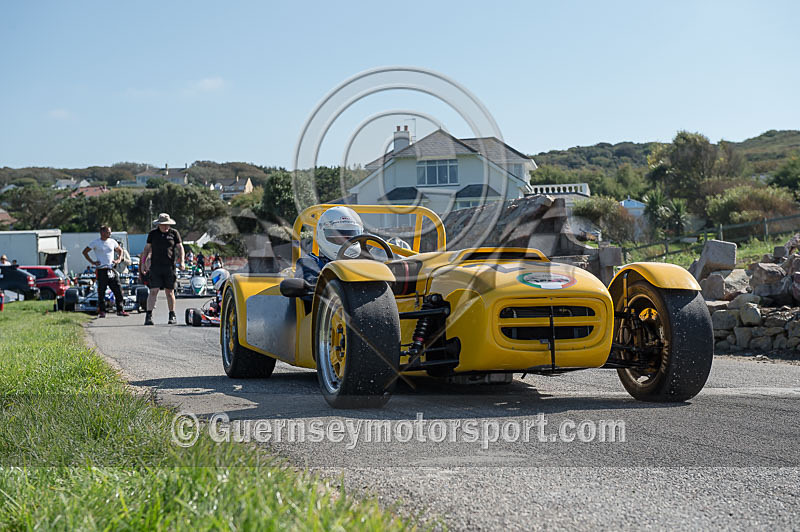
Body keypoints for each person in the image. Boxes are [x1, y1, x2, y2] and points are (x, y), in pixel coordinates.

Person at [295, 206, 364, 287]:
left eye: (351, 236)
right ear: (322, 234)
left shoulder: (366, 263)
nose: (346, 241)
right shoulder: (310, 263)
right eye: (339, 236)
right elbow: (309, 288)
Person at [140, 213, 185, 325]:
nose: (166, 227)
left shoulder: (174, 233)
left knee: (170, 292)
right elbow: (146, 249)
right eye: (164, 225)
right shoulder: (153, 234)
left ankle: (172, 315)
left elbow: (180, 247)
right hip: (155, 267)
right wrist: (143, 262)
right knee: (153, 291)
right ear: (159, 225)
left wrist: (182, 260)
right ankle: (149, 315)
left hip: (169, 267)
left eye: (167, 225)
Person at [82, 225, 129, 318]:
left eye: (110, 232)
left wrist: (119, 259)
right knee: (101, 291)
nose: (110, 233)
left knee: (118, 289)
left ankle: (120, 310)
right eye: (108, 232)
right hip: (101, 270)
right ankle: (102, 311)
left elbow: (120, 250)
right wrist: (93, 262)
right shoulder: (96, 243)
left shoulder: (112, 242)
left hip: (111, 269)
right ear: (102, 232)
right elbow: (85, 252)